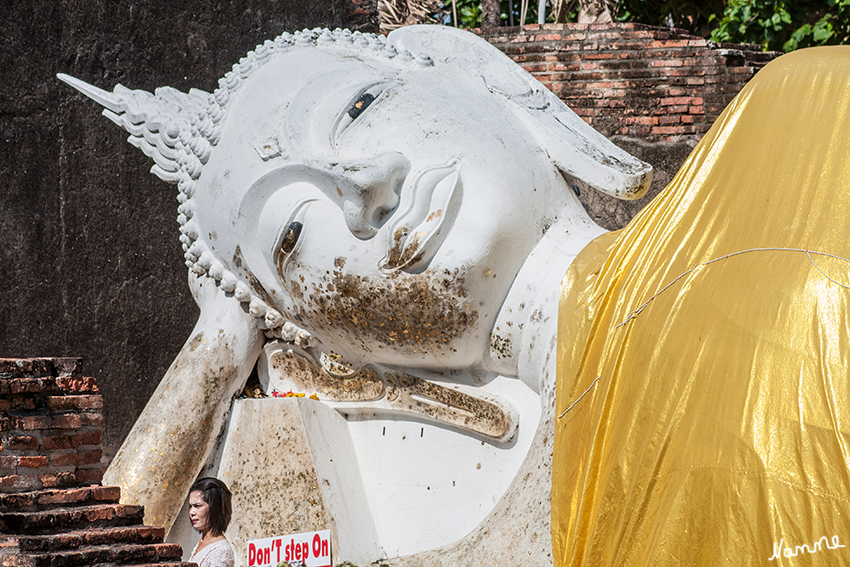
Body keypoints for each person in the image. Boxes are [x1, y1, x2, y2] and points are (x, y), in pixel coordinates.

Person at [187, 478, 235, 567]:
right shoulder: (202, 541)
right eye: (190, 506)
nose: (191, 512)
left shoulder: (221, 551)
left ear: (215, 508)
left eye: (197, 506)